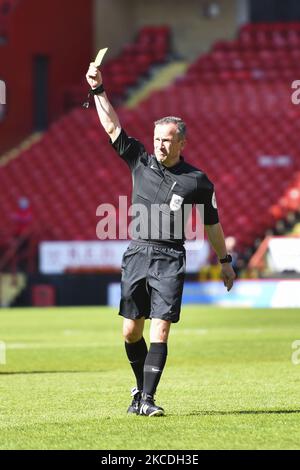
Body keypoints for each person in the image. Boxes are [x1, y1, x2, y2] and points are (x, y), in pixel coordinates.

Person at [86, 62, 236, 417]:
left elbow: (212, 223)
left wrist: (224, 260)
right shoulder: (140, 159)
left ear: (182, 142)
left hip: (170, 257)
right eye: (157, 140)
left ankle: (149, 400)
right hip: (137, 253)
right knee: (129, 332)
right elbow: (111, 126)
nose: (160, 145)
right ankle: (140, 389)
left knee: (161, 329)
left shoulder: (197, 181)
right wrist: (97, 90)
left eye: (167, 140)